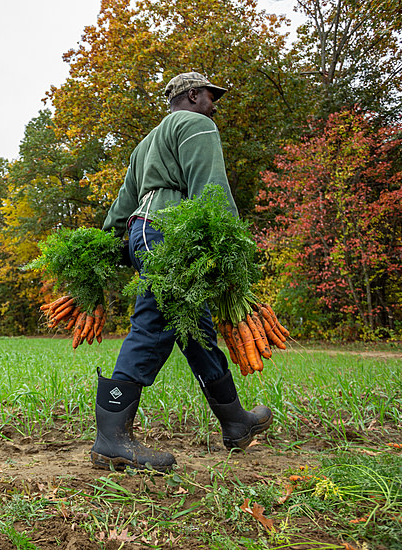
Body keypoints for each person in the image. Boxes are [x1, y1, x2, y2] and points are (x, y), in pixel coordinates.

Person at [90, 72, 272, 472]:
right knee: (154, 324)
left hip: (146, 232)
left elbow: (122, 206)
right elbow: (211, 189)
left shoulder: (145, 144)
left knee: (196, 329)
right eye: (211, 95)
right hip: (169, 233)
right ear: (192, 95)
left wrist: (106, 248)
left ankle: (235, 421)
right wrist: (232, 248)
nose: (214, 104)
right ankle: (111, 437)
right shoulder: (196, 124)